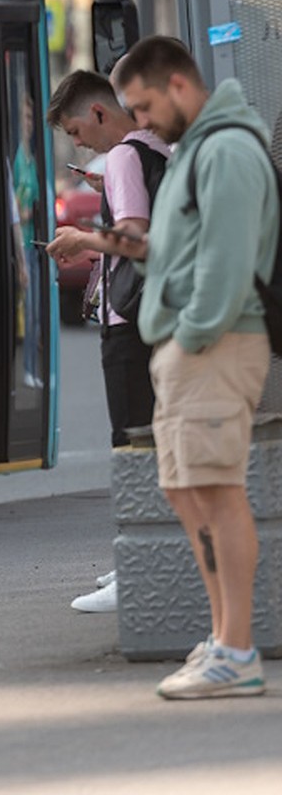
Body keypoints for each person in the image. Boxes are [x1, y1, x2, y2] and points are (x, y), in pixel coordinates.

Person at [106, 36, 278, 699]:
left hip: (215, 342)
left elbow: (227, 263)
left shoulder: (226, 149)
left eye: (144, 107)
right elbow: (181, 251)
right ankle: (225, 639)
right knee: (188, 490)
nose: (140, 122)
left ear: (179, 86)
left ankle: (236, 649)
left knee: (215, 489)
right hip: (192, 343)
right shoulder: (196, 150)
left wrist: (194, 331)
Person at [45, 69, 170, 615]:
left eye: (76, 130)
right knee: (153, 444)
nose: (78, 145)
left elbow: (137, 238)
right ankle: (142, 557)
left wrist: (82, 238)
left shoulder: (122, 156)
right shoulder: (154, 149)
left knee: (134, 445)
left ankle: (143, 566)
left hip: (128, 322)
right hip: (154, 316)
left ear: (99, 113)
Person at [13, 95, 42, 388]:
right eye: (25, 118)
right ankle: (27, 369)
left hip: (37, 243)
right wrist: (25, 211)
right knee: (31, 311)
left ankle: (34, 369)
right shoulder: (19, 161)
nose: (29, 124)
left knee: (38, 315)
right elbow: (14, 211)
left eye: (32, 118)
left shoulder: (34, 159)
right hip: (24, 244)